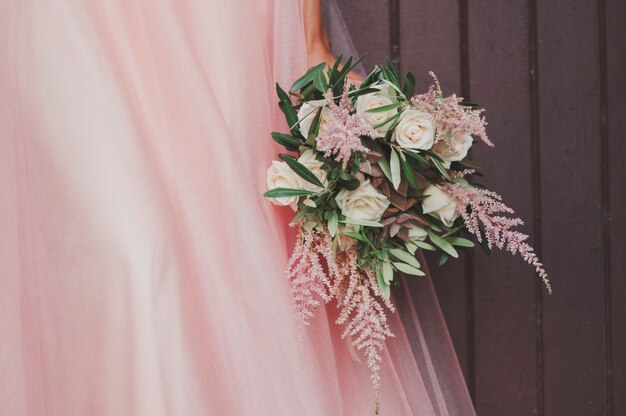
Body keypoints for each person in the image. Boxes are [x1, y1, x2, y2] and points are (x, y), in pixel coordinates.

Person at [0, 1, 474, 414]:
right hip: (78, 22)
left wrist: (322, 55)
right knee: (140, 254)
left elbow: (310, 45)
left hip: (223, 33)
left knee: (238, 264)